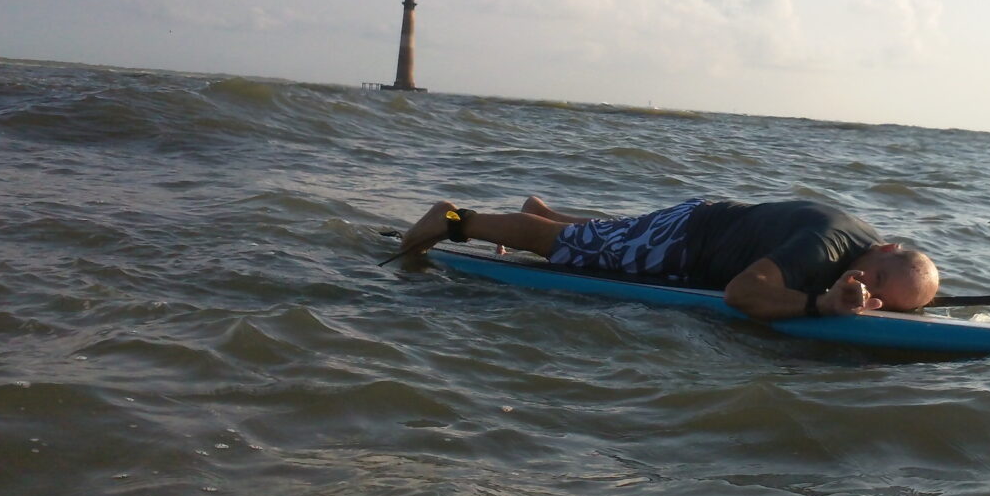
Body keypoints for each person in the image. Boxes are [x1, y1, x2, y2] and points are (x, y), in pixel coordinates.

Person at [398, 195, 940, 320]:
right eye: (876, 276)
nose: (867, 283)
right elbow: (741, 293)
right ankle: (453, 219)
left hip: (696, 232)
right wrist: (822, 305)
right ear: (885, 249)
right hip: (683, 241)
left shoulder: (862, 240)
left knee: (596, 241)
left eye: (882, 297)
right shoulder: (824, 248)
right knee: (558, 248)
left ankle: (543, 210)